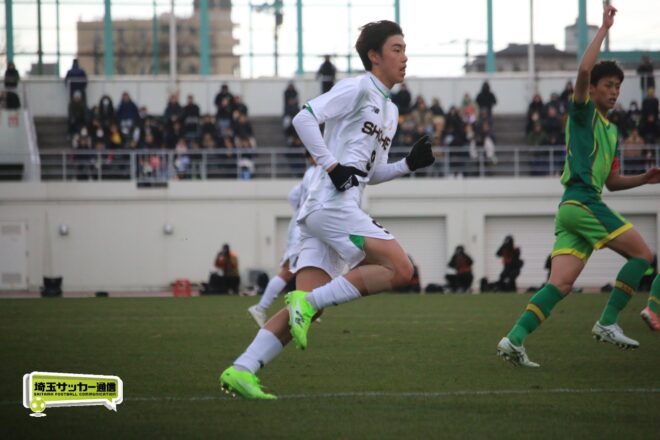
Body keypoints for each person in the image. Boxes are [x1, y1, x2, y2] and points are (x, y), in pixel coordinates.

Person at [219, 20, 435, 399]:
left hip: (328, 210)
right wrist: (332, 166)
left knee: (309, 309)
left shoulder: (389, 110)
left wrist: (407, 165)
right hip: (329, 204)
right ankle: (306, 302)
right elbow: (303, 118)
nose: (405, 57)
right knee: (401, 270)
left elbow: (368, 173)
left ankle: (242, 369)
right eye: (397, 49)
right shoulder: (357, 87)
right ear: (374, 56)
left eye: (405, 49)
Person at [497, 5, 660, 369]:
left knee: (560, 284)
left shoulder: (612, 131)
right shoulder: (584, 113)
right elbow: (584, 70)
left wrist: (644, 179)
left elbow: (612, 182)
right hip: (582, 200)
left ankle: (514, 339)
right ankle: (608, 321)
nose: (614, 92)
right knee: (643, 255)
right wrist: (603, 28)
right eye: (608, 85)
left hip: (574, 208)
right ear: (594, 89)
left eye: (618, 87)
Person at [248, 151, 317, 327]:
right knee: (288, 271)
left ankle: (306, 309)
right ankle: (260, 308)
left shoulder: (311, 173)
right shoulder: (315, 173)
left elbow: (293, 195)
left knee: (308, 269)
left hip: (305, 227)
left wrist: (299, 209)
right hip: (303, 230)